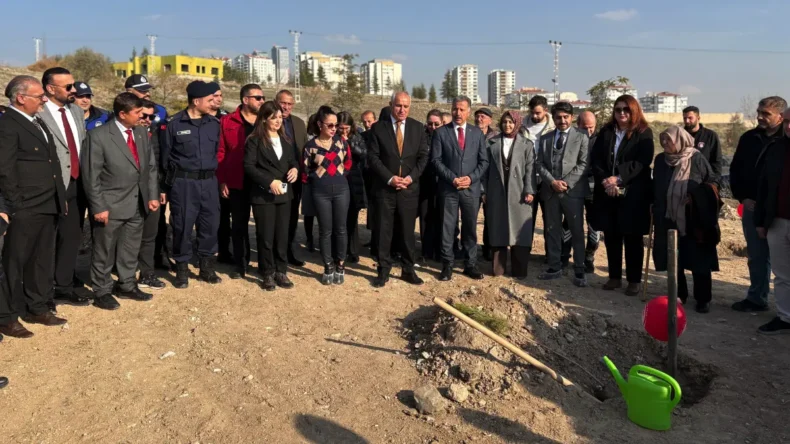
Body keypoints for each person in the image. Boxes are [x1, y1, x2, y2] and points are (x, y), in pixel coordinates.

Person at [0, 75, 69, 337]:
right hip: (26, 206)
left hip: (47, 204)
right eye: (39, 96)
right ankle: (7, 316)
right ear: (20, 98)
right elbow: (4, 169)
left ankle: (36, 307)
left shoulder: (36, 121)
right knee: (14, 262)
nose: (44, 100)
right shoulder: (8, 125)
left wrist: (58, 199)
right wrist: (15, 205)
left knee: (41, 260)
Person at [82, 93, 159, 310]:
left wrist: (152, 195)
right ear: (123, 114)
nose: (142, 116)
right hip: (110, 204)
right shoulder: (98, 136)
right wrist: (98, 206)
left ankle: (126, 284)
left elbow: (150, 167)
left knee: (130, 247)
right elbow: (91, 176)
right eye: (137, 113)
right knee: (104, 250)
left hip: (137, 202)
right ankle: (102, 290)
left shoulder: (142, 132)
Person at [160, 81, 222, 288]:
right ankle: (182, 269)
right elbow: (165, 159)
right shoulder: (174, 124)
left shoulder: (214, 124)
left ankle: (206, 267)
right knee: (182, 226)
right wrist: (164, 188)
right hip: (184, 183)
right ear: (196, 101)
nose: (213, 102)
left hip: (209, 182)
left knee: (210, 225)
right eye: (209, 99)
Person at [38, 67, 91, 309]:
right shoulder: (38, 113)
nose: (75, 90)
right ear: (50, 88)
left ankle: (64, 285)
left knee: (71, 236)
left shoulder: (76, 112)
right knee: (47, 239)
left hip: (77, 183)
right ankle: (41, 289)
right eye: (68, 86)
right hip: (49, 185)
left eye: (74, 85)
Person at [590, 95, 654, 296]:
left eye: (626, 109)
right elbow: (597, 159)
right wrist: (605, 180)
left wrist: (617, 179)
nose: (622, 113)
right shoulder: (607, 131)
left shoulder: (643, 132)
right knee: (612, 235)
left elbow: (641, 162)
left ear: (634, 110)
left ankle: (634, 280)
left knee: (632, 238)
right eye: (618, 109)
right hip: (607, 192)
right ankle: (614, 276)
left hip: (633, 194)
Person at [652, 126, 719, 314]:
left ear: (680, 140)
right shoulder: (660, 160)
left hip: (693, 218)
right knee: (674, 260)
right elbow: (656, 184)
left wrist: (696, 197)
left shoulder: (696, 158)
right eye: (662, 139)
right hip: (667, 217)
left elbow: (712, 181)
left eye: (669, 140)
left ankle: (703, 299)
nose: (664, 143)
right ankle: (679, 294)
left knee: (699, 260)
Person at [367, 92, 430, 288]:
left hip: (409, 190)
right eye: (398, 105)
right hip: (385, 190)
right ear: (391, 105)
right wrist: (390, 178)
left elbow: (423, 158)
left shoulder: (418, 128)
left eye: (406, 106)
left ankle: (408, 269)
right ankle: (383, 270)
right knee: (384, 231)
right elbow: (373, 158)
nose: (402, 109)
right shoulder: (378, 128)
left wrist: (410, 178)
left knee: (407, 232)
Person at [729, 96, 786, 313]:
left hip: (781, 211)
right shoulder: (749, 138)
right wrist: (743, 197)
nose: (760, 117)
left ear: (781, 117)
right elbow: (736, 170)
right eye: (759, 112)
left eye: (766, 114)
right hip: (753, 208)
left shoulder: (785, 141)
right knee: (757, 255)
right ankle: (757, 297)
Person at [431, 96, 490, 281]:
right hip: (449, 188)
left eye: (462, 109)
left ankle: (470, 263)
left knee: (470, 227)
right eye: (455, 109)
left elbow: (484, 161)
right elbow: (436, 160)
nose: (458, 113)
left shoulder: (477, 133)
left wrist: (471, 178)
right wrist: (452, 179)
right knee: (448, 227)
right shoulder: (441, 133)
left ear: (468, 112)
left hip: (470, 189)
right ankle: (447, 264)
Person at [244, 101, 298, 291]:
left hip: (284, 194)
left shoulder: (286, 139)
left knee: (282, 235)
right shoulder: (254, 140)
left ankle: (281, 271)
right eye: (273, 117)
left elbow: (293, 161)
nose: (277, 121)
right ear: (264, 119)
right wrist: (268, 181)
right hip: (263, 195)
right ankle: (267, 272)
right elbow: (249, 167)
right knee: (266, 235)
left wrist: (295, 169)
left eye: (280, 118)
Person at [536, 102, 590, 287]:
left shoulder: (582, 136)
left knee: (576, 231)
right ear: (553, 117)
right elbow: (539, 164)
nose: (562, 120)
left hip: (572, 191)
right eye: (558, 117)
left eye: (566, 117)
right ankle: (554, 266)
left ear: (572, 117)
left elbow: (583, 163)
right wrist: (552, 182)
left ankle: (580, 269)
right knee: (552, 230)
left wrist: (566, 183)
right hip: (551, 191)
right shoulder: (545, 138)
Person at [482, 110, 535, 278]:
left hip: (519, 193)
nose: (507, 125)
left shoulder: (526, 144)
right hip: (496, 192)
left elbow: (530, 169)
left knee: (520, 230)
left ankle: (519, 270)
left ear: (517, 123)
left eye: (511, 122)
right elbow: (485, 169)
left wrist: (529, 189)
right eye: (505, 122)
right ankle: (499, 269)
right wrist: (483, 191)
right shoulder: (491, 143)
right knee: (498, 227)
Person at [303, 106, 352, 285]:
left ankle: (340, 264)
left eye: (336, 125)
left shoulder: (341, 143)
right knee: (325, 230)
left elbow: (348, 163)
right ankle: (328, 265)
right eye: (330, 125)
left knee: (341, 229)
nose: (334, 128)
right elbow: (305, 170)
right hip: (320, 193)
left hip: (341, 191)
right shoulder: (310, 146)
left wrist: (338, 177)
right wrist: (319, 179)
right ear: (319, 124)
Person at [217, 84, 262, 279]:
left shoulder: (266, 121)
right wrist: (222, 180)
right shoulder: (227, 121)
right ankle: (240, 263)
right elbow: (221, 152)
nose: (262, 100)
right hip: (237, 181)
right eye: (257, 97)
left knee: (263, 225)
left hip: (261, 182)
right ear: (245, 100)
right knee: (239, 225)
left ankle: (265, 264)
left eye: (262, 97)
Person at [755, 108, 790, 333]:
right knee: (782, 274)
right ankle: (786, 317)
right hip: (778, 221)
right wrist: (760, 220)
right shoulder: (777, 149)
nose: (789, 126)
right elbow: (765, 186)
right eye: (786, 122)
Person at [562, 110, 601, 273]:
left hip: (594, 188)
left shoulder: (601, 141)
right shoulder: (570, 139)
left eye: (591, 127)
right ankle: (564, 255)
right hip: (574, 185)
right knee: (569, 223)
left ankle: (589, 257)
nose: (589, 131)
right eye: (585, 127)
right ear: (577, 125)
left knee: (594, 226)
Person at [134, 99, 167, 291]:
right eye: (143, 115)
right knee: (127, 237)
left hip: (152, 192)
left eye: (151, 116)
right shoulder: (118, 135)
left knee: (149, 235)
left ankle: (147, 274)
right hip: (126, 194)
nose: (147, 120)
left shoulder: (156, 134)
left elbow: (161, 165)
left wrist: (161, 190)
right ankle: (125, 276)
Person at [277, 90, 308, 266]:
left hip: (295, 178)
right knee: (277, 216)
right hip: (275, 177)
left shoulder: (298, 123)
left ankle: (288, 250)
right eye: (283, 103)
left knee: (291, 216)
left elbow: (303, 149)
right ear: (276, 102)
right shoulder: (269, 121)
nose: (286, 107)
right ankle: (274, 253)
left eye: (289, 104)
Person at [522, 95, 556, 258]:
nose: (534, 116)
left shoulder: (554, 127)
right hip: (527, 178)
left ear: (545, 111)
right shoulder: (521, 126)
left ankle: (550, 255)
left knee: (550, 219)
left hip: (547, 179)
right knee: (526, 217)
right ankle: (524, 252)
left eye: (538, 113)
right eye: (532, 113)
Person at [337, 112, 368, 264]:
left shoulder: (357, 136)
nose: (344, 132)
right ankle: (339, 249)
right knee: (339, 217)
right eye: (341, 128)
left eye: (347, 128)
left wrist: (349, 144)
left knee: (352, 218)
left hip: (353, 180)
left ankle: (353, 251)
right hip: (337, 180)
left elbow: (364, 154)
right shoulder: (332, 137)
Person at [419, 109, 443, 261]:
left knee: (441, 218)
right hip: (424, 183)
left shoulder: (447, 136)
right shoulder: (420, 137)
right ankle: (427, 250)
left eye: (436, 124)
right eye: (430, 124)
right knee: (425, 218)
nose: (433, 127)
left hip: (443, 183)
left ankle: (441, 250)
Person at [682, 106, 722, 185]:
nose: (687, 121)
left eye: (690, 118)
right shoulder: (680, 135)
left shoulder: (710, 136)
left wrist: (715, 182)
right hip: (682, 181)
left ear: (698, 118)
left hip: (703, 182)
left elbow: (716, 161)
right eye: (684, 118)